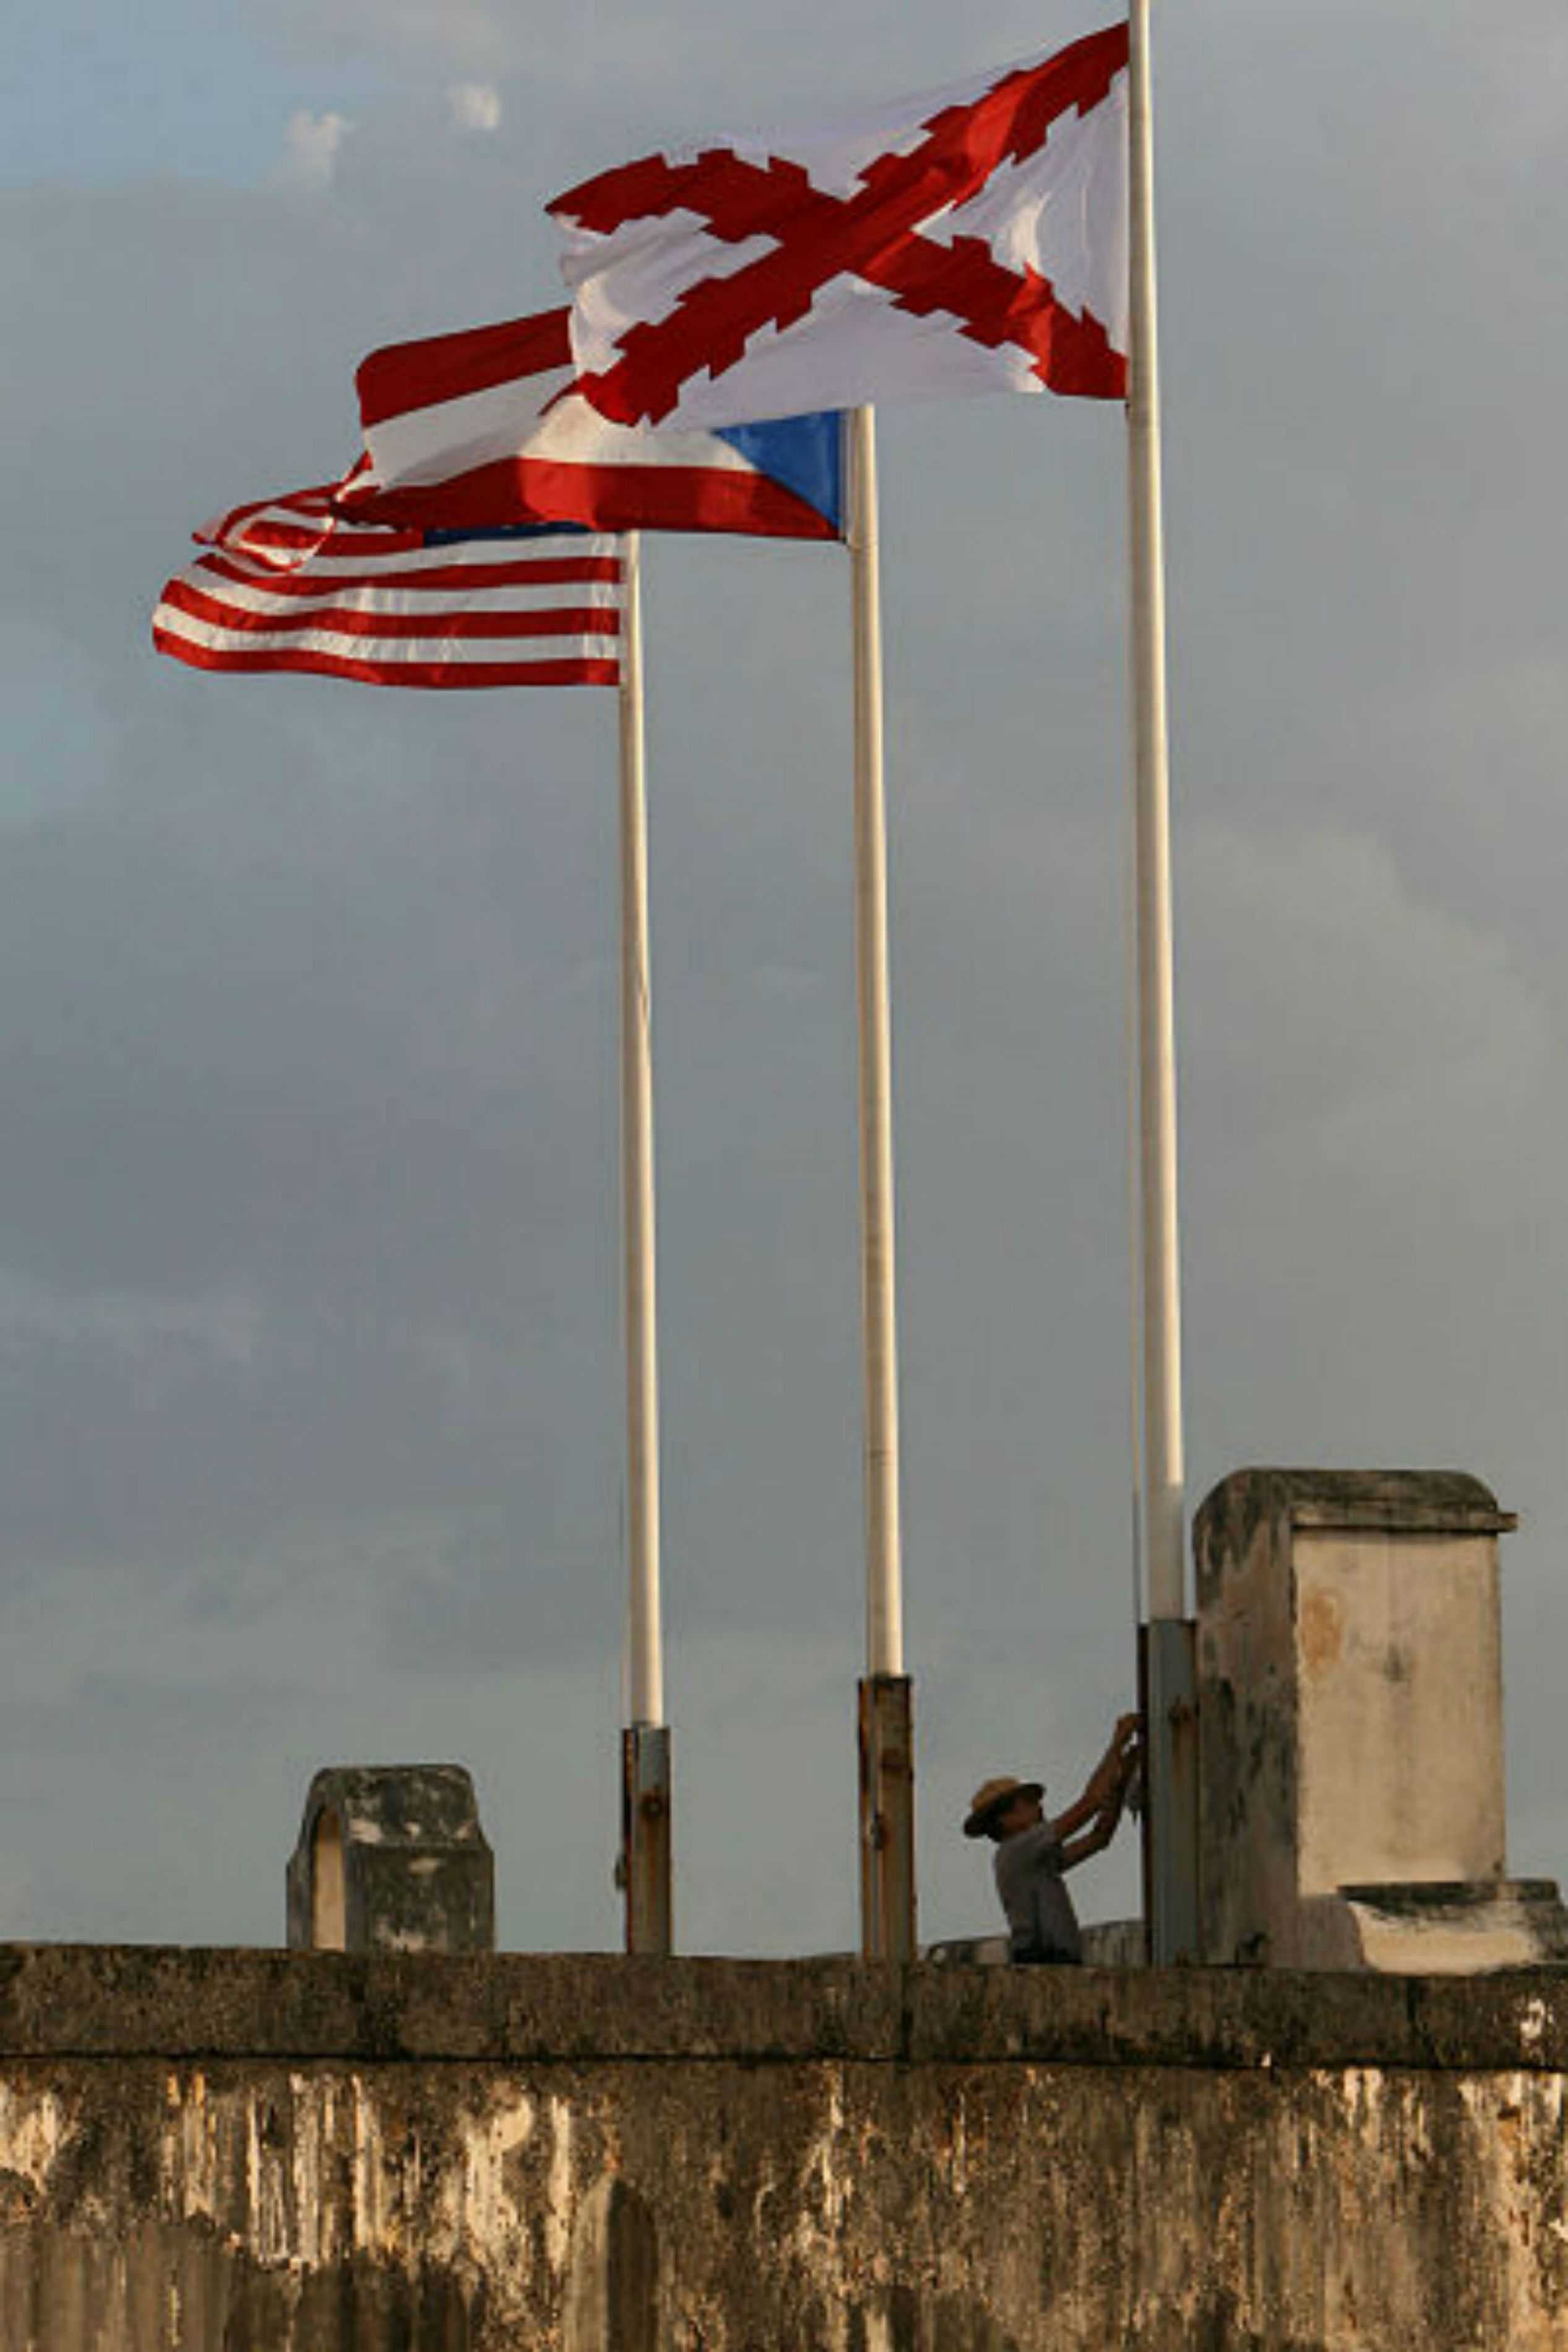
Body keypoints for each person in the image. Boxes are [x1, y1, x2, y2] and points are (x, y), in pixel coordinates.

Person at [963, 1714, 1142, 1965]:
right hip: (1041, 1958)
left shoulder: (1033, 1858)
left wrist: (1120, 1782)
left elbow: (1099, 1838)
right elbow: (1089, 1804)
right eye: (1028, 1803)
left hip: (1056, 1960)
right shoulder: (1017, 1850)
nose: (1038, 1807)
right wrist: (1117, 1745)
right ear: (1006, 1819)